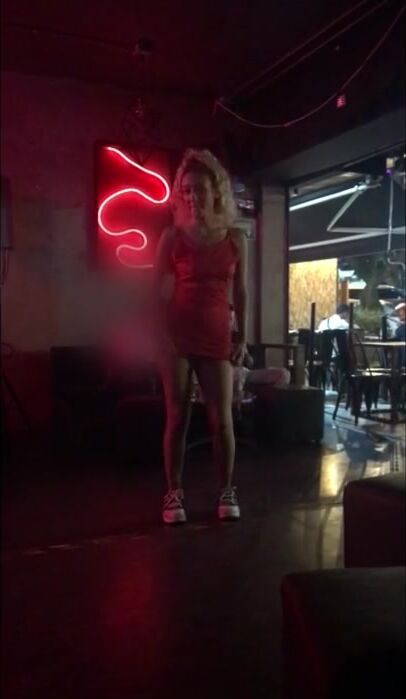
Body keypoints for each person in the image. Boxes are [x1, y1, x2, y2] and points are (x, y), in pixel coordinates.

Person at [154, 149, 248, 524]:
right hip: (176, 336)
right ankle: (173, 493)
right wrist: (160, 335)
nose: (192, 196)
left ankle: (226, 489)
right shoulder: (171, 236)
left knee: (221, 419)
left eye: (199, 189)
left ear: (216, 191)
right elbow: (155, 294)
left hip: (216, 336)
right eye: (186, 190)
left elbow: (241, 293)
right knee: (177, 416)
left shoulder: (236, 238)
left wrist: (243, 336)